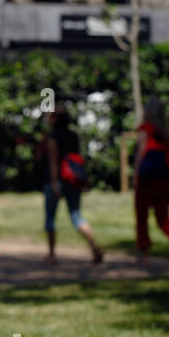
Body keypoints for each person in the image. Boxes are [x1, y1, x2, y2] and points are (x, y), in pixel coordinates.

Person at [38, 104, 103, 264]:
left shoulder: (52, 138)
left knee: (50, 219)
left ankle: (52, 255)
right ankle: (94, 247)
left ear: (54, 119)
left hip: (56, 182)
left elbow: (53, 164)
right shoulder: (73, 136)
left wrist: (54, 184)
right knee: (76, 216)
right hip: (72, 181)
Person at [133, 96, 169, 264]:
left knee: (142, 215)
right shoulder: (167, 133)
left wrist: (136, 176)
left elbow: (140, 154)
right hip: (165, 179)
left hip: (147, 179)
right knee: (163, 217)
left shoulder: (145, 129)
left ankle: (144, 255)